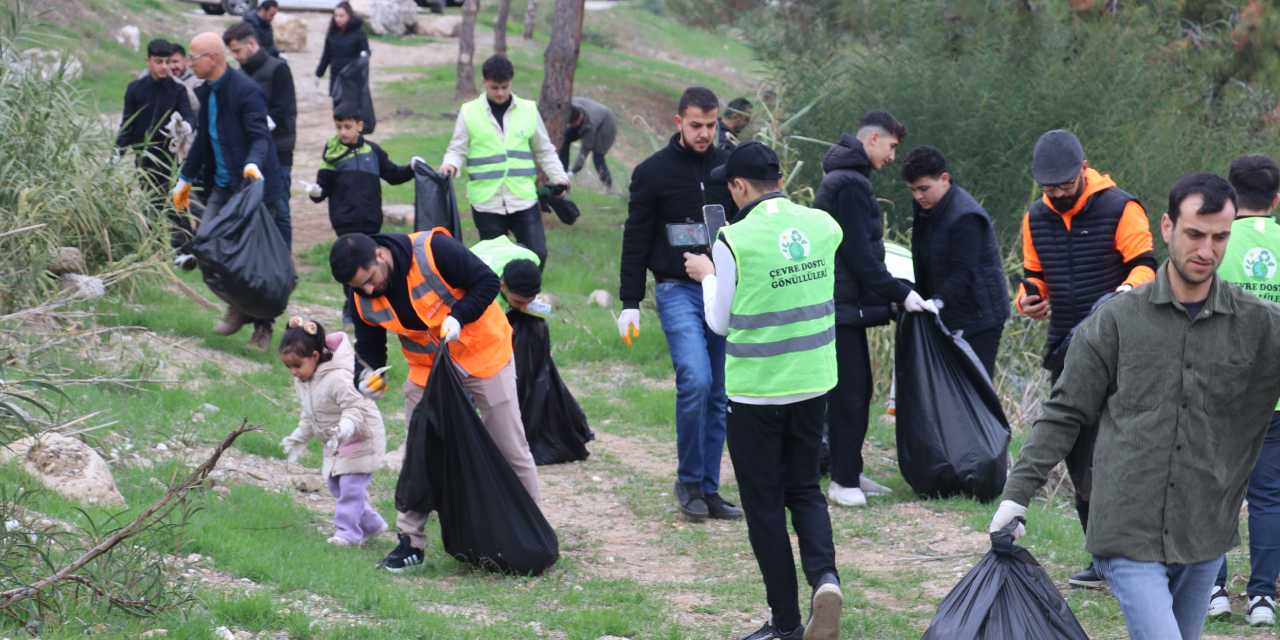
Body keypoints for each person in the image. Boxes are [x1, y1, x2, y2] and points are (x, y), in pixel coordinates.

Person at [990, 172, 1280, 640]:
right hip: (1127, 524)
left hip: (1204, 528)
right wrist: (1016, 494)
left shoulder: (1258, 325)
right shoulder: (1117, 320)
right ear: (1166, 228)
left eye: (1220, 237)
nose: (1207, 250)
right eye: (1194, 234)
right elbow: (1066, 410)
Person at [682, 141, 843, 640]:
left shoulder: (733, 240)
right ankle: (825, 579)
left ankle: (787, 624)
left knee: (766, 505)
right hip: (813, 382)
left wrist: (708, 275)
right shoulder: (824, 225)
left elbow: (720, 321)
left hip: (757, 394)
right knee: (805, 490)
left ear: (739, 187)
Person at [327, 230, 539, 572]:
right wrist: (367, 377)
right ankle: (410, 542)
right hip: (428, 370)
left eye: (369, 280)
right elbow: (369, 348)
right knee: (419, 454)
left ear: (380, 255)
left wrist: (458, 315)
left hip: (483, 354)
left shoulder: (432, 251)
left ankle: (532, 531)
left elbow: (485, 281)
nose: (368, 290)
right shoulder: (360, 295)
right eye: (358, 287)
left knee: (510, 444)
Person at [1014, 128, 1157, 588]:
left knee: (1128, 457)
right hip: (1065, 350)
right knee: (1080, 461)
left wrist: (1122, 292)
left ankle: (1144, 558)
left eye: (1063, 184)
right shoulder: (1035, 216)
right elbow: (1033, 276)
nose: (1056, 193)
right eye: (1047, 187)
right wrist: (1028, 299)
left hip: (1123, 351)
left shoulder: (1122, 208)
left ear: (1082, 168)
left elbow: (1147, 267)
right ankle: (1100, 562)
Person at [618, 86, 742, 522]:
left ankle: (708, 489)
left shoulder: (731, 169)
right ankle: (688, 480)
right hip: (676, 289)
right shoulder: (653, 172)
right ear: (678, 123)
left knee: (719, 392)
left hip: (723, 289)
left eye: (711, 125)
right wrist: (629, 300)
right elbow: (635, 237)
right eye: (696, 126)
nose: (705, 134)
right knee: (696, 379)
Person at [812, 111, 935, 509]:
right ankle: (842, 482)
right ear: (874, 139)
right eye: (892, 147)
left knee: (856, 389)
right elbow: (858, 254)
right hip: (838, 305)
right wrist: (899, 292)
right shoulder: (848, 184)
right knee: (850, 393)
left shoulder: (848, 179)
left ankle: (850, 469)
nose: (893, 157)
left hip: (843, 304)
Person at [171, 32, 289, 351]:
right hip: (223, 187)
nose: (190, 63)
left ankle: (262, 326)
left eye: (194, 57)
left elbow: (260, 137)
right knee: (208, 246)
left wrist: (252, 164)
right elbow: (205, 141)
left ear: (213, 58)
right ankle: (237, 306)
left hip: (255, 187)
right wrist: (185, 179)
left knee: (258, 263)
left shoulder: (246, 92)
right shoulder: (206, 92)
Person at [1207, 154, 1280, 626]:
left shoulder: (1214, 242)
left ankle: (1212, 591)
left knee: (1214, 493)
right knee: (1270, 496)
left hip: (1220, 390)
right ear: (1277, 200)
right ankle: (1261, 601)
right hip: (1274, 394)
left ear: (1230, 198)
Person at [440, 55, 569, 266]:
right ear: (484, 83)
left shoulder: (528, 109)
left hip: (523, 198)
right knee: (494, 261)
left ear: (511, 82)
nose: (500, 93)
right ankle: (499, 298)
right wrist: (450, 165)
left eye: (504, 87)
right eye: (494, 87)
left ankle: (526, 296)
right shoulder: (469, 112)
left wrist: (560, 178)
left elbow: (545, 150)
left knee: (537, 254)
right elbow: (457, 149)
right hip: (486, 202)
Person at [277, 317, 387, 547]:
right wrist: (299, 437)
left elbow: (355, 406)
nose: (293, 372)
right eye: (288, 367)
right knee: (335, 485)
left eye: (297, 365)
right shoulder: (305, 381)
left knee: (350, 487)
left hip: (360, 437)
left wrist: (346, 426)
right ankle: (371, 524)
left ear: (315, 356)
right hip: (336, 441)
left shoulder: (338, 377)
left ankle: (347, 533)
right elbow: (309, 413)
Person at [900, 145, 1010, 374]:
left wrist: (937, 302)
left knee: (975, 391)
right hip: (947, 312)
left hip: (980, 318)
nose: (918, 196)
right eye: (912, 190)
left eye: (923, 189)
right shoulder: (926, 207)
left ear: (944, 179)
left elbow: (964, 273)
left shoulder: (966, 216)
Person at [310, 108, 419, 324]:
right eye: (339, 127)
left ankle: (375, 306)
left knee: (370, 265)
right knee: (352, 265)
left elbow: (393, 175)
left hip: (370, 221)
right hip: (345, 223)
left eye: (348, 127)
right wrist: (315, 192)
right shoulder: (332, 155)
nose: (343, 132)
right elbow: (322, 189)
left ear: (360, 126)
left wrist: (412, 169)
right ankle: (351, 309)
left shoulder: (373, 152)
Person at [117, 39, 195, 262]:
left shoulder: (178, 89)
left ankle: (185, 250)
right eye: (158, 61)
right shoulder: (135, 89)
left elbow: (189, 115)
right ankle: (159, 250)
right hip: (144, 160)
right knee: (151, 205)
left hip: (171, 158)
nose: (164, 67)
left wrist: (185, 126)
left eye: (168, 62)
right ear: (148, 61)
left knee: (177, 203)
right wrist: (116, 154)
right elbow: (127, 126)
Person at [224, 23, 296, 220]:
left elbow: (282, 110)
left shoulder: (278, 69)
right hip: (250, 153)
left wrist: (255, 126)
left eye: (237, 51)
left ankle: (281, 251)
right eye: (232, 53)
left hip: (279, 148)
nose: (236, 56)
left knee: (279, 208)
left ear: (252, 43)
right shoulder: (238, 75)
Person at [559, 96, 617, 191]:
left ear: (579, 119)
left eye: (575, 124)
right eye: (572, 125)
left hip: (606, 125)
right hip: (591, 117)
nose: (573, 126)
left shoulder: (590, 126)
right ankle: (562, 173)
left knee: (598, 157)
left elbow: (584, 152)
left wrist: (573, 172)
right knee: (565, 139)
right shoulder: (570, 106)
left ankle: (608, 187)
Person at [316, 2, 369, 95]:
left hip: (353, 78)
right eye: (336, 16)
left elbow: (365, 52)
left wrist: (364, 56)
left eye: (341, 16)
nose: (338, 19)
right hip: (336, 77)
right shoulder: (332, 34)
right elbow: (326, 55)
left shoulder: (359, 33)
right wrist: (319, 74)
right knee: (337, 106)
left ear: (349, 16)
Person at [165, 43, 201, 114]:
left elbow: (196, 106)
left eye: (175, 61)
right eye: (168, 62)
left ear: (186, 61)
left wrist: (173, 79)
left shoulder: (198, 80)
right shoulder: (164, 79)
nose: (172, 66)